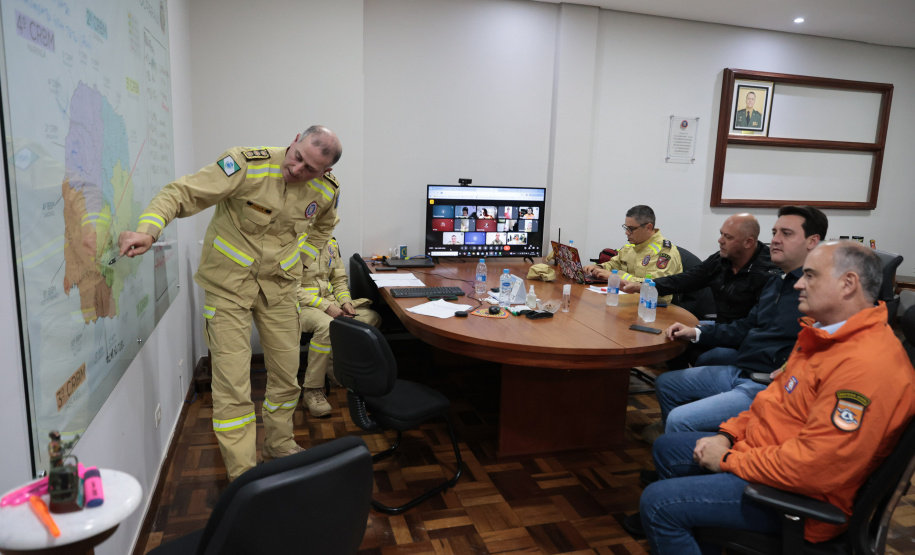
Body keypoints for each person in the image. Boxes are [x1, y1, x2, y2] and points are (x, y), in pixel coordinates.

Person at [627, 241, 915, 553]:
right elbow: (770, 402)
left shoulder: (864, 366)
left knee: (657, 503)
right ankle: (704, 534)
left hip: (798, 499)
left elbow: (816, 470)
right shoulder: (824, 334)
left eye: (810, 275)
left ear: (848, 284)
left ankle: (685, 520)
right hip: (769, 454)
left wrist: (728, 459)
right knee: (668, 448)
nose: (800, 284)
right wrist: (728, 434)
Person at [117, 125, 342, 481]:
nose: (298, 170)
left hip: (280, 289)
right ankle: (243, 474)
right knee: (233, 385)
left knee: (286, 376)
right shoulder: (247, 165)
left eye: (311, 168)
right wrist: (149, 228)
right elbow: (182, 193)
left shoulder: (326, 191)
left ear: (325, 172)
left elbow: (324, 227)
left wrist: (301, 260)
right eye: (297, 157)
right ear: (294, 139)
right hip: (228, 287)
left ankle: (279, 445)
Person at [654, 205, 827, 436]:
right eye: (774, 232)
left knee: (679, 419)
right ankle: (689, 448)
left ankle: (698, 450)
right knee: (667, 384)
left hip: (765, 382)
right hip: (745, 368)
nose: (775, 240)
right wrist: (695, 333)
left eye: (786, 234)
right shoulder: (777, 281)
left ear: (812, 241)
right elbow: (746, 326)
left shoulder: (821, 292)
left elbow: (818, 352)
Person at [622, 213, 776, 325]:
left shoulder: (767, 273)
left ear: (748, 242)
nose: (720, 240)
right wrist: (643, 286)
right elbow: (685, 280)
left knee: (702, 353)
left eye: (728, 237)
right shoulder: (721, 260)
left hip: (744, 338)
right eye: (721, 234)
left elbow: (755, 326)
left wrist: (700, 333)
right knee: (670, 333)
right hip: (722, 327)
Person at [298, 236, 380, 417]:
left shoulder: (330, 242)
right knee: (327, 326)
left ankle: (339, 368)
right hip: (300, 306)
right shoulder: (291, 239)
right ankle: (312, 390)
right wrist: (326, 306)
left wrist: (345, 302)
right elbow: (290, 288)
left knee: (370, 319)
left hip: (330, 302)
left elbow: (339, 280)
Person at [582, 205, 683, 293]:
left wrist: (614, 277)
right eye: (626, 228)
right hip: (627, 299)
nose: (627, 232)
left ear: (648, 227)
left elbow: (654, 286)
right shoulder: (631, 246)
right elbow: (614, 264)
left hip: (653, 307)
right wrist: (599, 268)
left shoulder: (664, 252)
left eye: (631, 229)